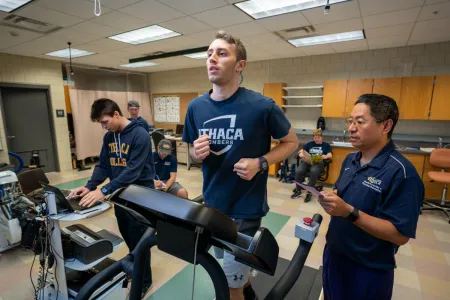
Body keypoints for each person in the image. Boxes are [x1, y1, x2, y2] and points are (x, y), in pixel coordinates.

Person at [182, 31, 298, 300]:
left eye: (222, 53)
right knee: (233, 269)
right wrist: (196, 153)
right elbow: (192, 150)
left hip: (245, 208)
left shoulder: (261, 106)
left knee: (229, 283)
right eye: (209, 53)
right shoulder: (196, 107)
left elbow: (291, 142)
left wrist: (261, 162)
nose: (212, 58)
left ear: (240, 65)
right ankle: (248, 291)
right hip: (213, 206)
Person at [319, 94, 424, 300]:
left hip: (367, 268)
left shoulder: (402, 174)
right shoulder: (351, 159)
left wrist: (348, 212)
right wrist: (333, 198)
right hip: (334, 254)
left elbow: (399, 235)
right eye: (350, 121)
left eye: (360, 122)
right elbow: (345, 194)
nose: (351, 128)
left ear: (385, 126)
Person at [67, 98, 155, 297]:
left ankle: (144, 281)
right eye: (100, 123)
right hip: (120, 197)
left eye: (104, 122)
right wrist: (89, 187)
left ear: (116, 114)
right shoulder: (109, 137)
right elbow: (104, 165)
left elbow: (132, 171)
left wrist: (103, 191)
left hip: (141, 198)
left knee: (141, 242)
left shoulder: (140, 135)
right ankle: (136, 271)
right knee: (130, 239)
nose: (103, 126)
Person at [291, 129, 332, 202]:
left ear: (321, 137)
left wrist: (324, 156)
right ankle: (298, 190)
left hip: (318, 163)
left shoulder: (326, 145)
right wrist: (301, 154)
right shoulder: (309, 144)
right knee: (299, 171)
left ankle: (309, 192)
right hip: (307, 162)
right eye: (315, 137)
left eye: (318, 137)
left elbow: (330, 155)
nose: (317, 139)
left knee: (313, 171)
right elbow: (301, 151)